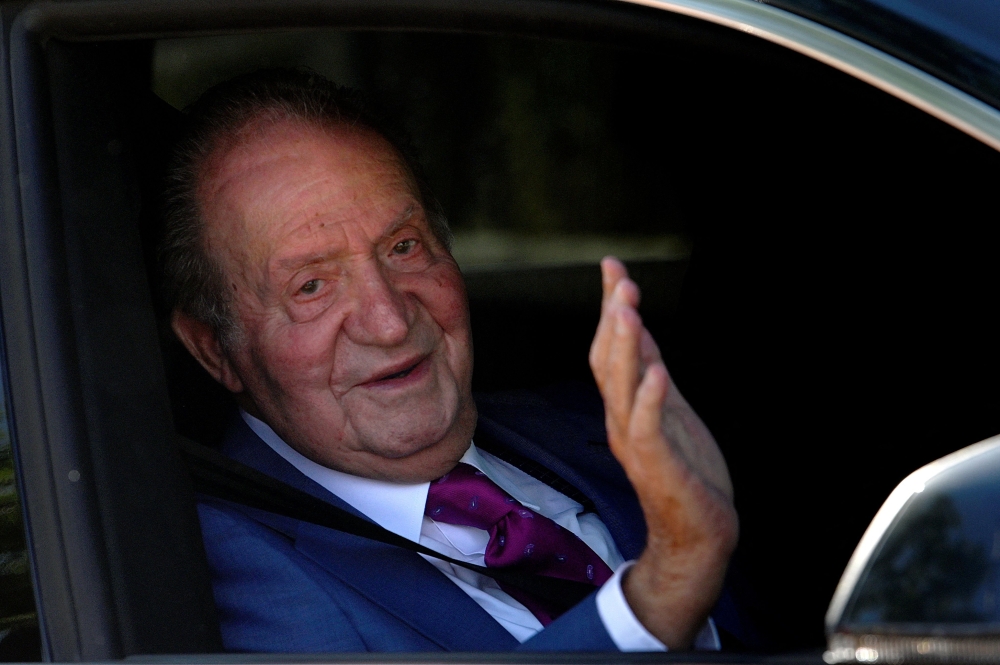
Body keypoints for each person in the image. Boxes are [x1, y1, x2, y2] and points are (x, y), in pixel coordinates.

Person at [159, 70, 738, 653]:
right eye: (311, 286)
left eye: (403, 246)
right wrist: (661, 596)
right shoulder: (213, 574)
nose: (389, 321)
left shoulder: (598, 424)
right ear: (214, 348)